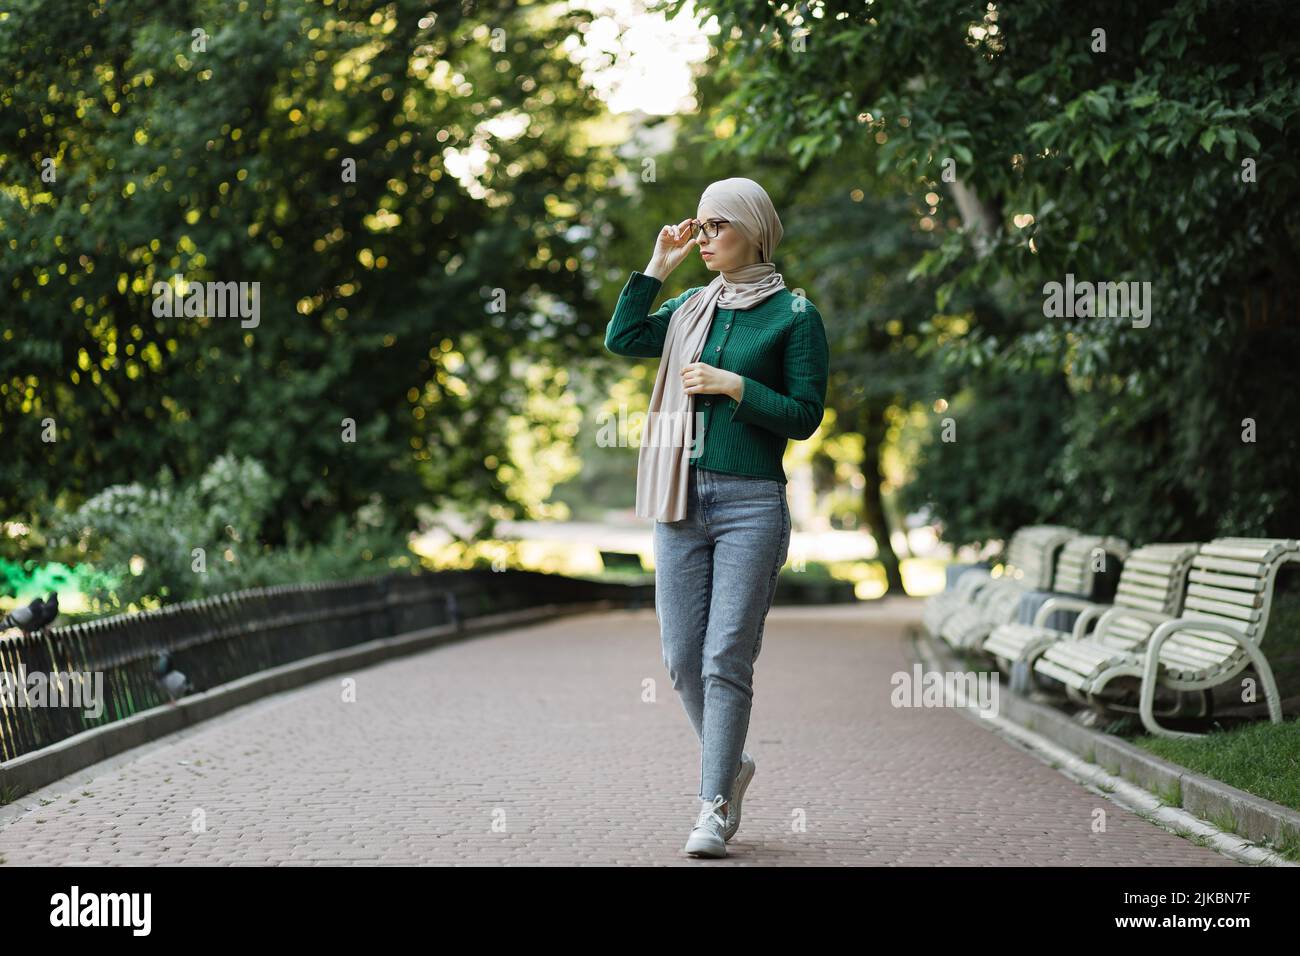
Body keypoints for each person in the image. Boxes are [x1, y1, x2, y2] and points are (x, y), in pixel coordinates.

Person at [604, 177, 830, 857]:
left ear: (753, 229)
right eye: (697, 228)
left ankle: (712, 806)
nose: (703, 238)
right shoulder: (689, 306)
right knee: (680, 661)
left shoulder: (794, 314)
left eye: (715, 228)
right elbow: (624, 337)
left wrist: (736, 385)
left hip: (749, 503)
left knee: (726, 656)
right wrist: (656, 265)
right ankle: (730, 766)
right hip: (680, 501)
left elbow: (806, 414)